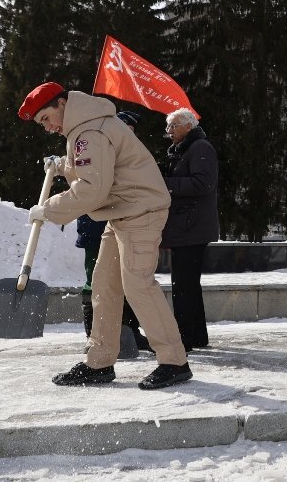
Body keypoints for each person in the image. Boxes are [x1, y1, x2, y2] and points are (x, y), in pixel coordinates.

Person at [18, 82, 191, 389]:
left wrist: (48, 209)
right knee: (105, 285)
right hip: (121, 212)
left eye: (46, 118)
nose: (47, 127)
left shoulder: (89, 132)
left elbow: (92, 189)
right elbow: (96, 169)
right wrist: (62, 167)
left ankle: (174, 361)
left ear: (60, 104)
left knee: (138, 284)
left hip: (140, 211)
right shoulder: (84, 128)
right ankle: (99, 362)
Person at [75, 110, 150, 353]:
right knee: (95, 282)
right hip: (95, 226)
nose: (129, 135)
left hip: (125, 225)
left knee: (127, 281)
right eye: (125, 129)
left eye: (132, 131)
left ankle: (130, 332)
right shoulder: (96, 150)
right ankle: (93, 336)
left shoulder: (132, 157)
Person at [160, 107, 219, 352]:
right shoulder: (185, 149)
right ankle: (195, 336)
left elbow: (203, 183)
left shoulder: (200, 148)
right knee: (187, 285)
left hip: (191, 228)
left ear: (188, 126)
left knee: (184, 286)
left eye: (173, 126)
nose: (169, 131)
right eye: (168, 127)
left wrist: (167, 184)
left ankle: (185, 337)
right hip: (186, 227)